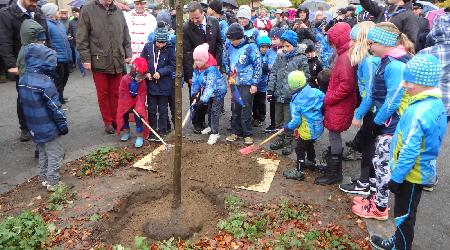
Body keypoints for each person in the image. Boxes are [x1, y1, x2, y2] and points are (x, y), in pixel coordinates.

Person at [369, 54, 446, 250]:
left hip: (411, 175)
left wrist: (396, 178)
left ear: (422, 82)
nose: (404, 85)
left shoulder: (418, 111)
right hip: (420, 170)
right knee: (407, 212)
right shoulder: (436, 103)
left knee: (404, 215)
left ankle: (400, 246)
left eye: (409, 81)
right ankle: (399, 241)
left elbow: (410, 150)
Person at [352, 22, 414, 220]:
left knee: (381, 164)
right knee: (378, 162)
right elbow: (372, 94)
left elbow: (392, 101)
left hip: (392, 125)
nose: (369, 47)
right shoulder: (384, 61)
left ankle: (380, 208)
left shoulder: (396, 65)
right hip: (385, 122)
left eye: (371, 43)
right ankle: (376, 198)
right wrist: (360, 114)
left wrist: (376, 123)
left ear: (384, 43)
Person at [18, 39, 68, 191]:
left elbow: (22, 104)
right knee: (55, 153)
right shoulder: (45, 83)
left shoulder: (23, 79)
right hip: (49, 126)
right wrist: (62, 125)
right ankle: (53, 182)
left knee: (42, 151)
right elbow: (55, 107)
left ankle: (44, 178)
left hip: (34, 126)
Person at [77, 0, 132, 134]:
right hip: (98, 60)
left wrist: (128, 53)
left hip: (117, 59)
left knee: (117, 93)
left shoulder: (118, 11)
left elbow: (126, 35)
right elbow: (82, 36)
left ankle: (116, 119)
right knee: (103, 94)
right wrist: (85, 58)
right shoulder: (88, 9)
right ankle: (108, 122)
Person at [339, 22, 380, 196]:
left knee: (370, 145)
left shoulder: (368, 62)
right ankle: (369, 180)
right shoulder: (366, 59)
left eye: (354, 40)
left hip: (374, 110)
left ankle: (364, 183)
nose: (351, 44)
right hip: (372, 109)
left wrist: (359, 113)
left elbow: (371, 92)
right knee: (369, 143)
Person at [0, 0, 49, 142]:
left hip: (41, 61)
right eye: (32, 0)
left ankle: (42, 123)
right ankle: (25, 127)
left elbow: (46, 36)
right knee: (24, 96)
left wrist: (50, 55)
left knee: (43, 92)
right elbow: (4, 42)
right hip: (21, 64)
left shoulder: (38, 11)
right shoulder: (6, 14)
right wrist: (11, 64)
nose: (35, 3)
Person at [315, 22, 356, 186]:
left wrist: (329, 98)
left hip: (339, 104)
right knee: (334, 135)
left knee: (334, 136)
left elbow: (346, 84)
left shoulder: (345, 58)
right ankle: (332, 168)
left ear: (337, 41)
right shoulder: (344, 54)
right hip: (339, 103)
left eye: (331, 42)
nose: (330, 46)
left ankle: (334, 173)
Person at [419, 14, 450, 191]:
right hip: (448, 106)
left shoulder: (429, 53)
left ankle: (425, 176)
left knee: (426, 139)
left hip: (431, 104)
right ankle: (428, 177)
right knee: (437, 139)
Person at [267, 30, 310, 156]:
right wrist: (270, 90)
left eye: (288, 46)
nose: (285, 49)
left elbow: (305, 77)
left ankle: (288, 141)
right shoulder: (280, 56)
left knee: (289, 120)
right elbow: (273, 73)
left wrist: (296, 94)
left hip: (291, 97)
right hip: (278, 94)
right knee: (278, 119)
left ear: (294, 45)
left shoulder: (301, 58)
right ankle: (279, 138)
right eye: (283, 46)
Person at [183, 1, 222, 134]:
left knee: (209, 94)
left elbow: (219, 44)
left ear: (203, 13)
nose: (195, 20)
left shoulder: (214, 22)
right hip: (196, 68)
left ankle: (205, 121)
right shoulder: (186, 27)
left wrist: (218, 64)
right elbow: (187, 52)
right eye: (192, 18)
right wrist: (189, 75)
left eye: (197, 18)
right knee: (196, 96)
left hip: (212, 67)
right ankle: (196, 122)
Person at [223, 23, 262, 145]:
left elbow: (258, 65)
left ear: (240, 37)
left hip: (247, 82)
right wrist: (229, 75)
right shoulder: (228, 45)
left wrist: (255, 83)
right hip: (234, 81)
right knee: (235, 107)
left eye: (234, 39)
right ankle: (236, 131)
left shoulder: (251, 47)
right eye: (231, 39)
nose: (232, 42)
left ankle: (247, 133)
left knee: (246, 107)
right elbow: (226, 60)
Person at [282, 71, 324, 181]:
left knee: (299, 149)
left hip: (307, 130)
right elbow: (324, 100)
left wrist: (288, 127)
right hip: (318, 127)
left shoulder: (297, 102)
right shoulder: (316, 92)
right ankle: (311, 161)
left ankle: (299, 171)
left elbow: (296, 121)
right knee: (309, 144)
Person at [141, 23, 175, 141]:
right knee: (151, 109)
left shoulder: (170, 49)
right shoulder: (148, 47)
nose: (160, 45)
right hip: (150, 84)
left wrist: (161, 72)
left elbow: (173, 66)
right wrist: (146, 73)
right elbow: (142, 61)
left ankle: (162, 130)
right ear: (155, 39)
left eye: (163, 42)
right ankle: (152, 131)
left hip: (164, 85)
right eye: (158, 42)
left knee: (163, 109)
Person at [191, 43, 227, 145]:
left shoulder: (211, 69)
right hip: (209, 92)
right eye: (196, 60)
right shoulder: (197, 68)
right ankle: (211, 127)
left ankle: (215, 133)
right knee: (210, 109)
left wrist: (202, 100)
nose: (198, 62)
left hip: (218, 91)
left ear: (205, 59)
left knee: (215, 111)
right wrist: (194, 94)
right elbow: (196, 81)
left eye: (200, 60)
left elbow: (210, 86)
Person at [42, 3, 72, 104]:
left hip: (65, 55)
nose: (58, 12)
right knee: (57, 80)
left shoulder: (59, 23)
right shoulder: (46, 24)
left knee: (65, 77)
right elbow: (45, 41)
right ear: (51, 13)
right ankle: (57, 99)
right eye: (56, 10)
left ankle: (60, 96)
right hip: (57, 58)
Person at [116, 57, 149, 148]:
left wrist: (139, 105)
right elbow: (122, 92)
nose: (141, 79)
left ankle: (139, 135)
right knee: (124, 114)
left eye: (143, 77)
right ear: (134, 72)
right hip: (126, 100)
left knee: (139, 115)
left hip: (138, 101)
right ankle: (126, 131)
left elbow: (142, 93)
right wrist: (128, 103)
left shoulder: (142, 83)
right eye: (139, 77)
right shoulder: (125, 79)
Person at [265, 27, 285, 134]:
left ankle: (283, 126)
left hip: (282, 84)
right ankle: (273, 124)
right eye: (271, 39)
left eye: (275, 39)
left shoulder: (285, 50)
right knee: (272, 104)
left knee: (283, 106)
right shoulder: (269, 52)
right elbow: (267, 64)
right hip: (272, 83)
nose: (272, 41)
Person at [253, 35, 276, 128]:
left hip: (263, 85)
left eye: (266, 47)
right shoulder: (256, 55)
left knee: (261, 102)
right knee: (254, 101)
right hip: (255, 83)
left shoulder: (270, 55)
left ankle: (261, 117)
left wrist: (267, 67)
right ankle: (255, 116)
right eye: (262, 47)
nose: (264, 49)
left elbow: (271, 67)